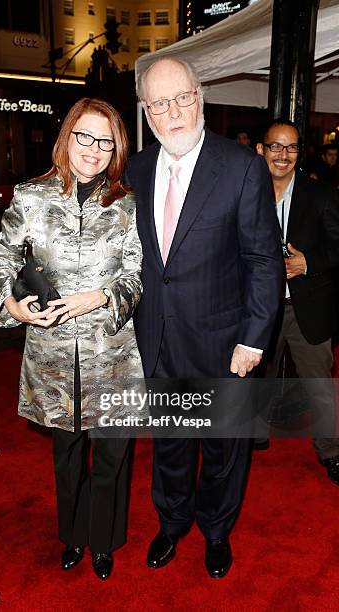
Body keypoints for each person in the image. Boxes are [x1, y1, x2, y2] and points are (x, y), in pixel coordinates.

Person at [126, 58, 282, 578]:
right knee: (169, 443)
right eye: (160, 102)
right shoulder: (138, 169)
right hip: (158, 340)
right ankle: (172, 524)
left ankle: (216, 529)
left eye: (182, 97)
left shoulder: (241, 166)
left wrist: (254, 339)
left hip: (223, 343)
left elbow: (263, 259)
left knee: (222, 448)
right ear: (146, 111)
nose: (173, 111)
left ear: (201, 96)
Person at [0, 98, 143, 580]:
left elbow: (138, 277)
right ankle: (73, 535)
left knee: (113, 455)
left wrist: (98, 297)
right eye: (84, 136)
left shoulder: (128, 203)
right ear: (67, 137)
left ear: (117, 146)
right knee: (67, 454)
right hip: (52, 355)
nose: (93, 149)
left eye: (105, 140)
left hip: (112, 350)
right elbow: (1, 263)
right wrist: (11, 306)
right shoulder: (30, 197)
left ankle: (103, 540)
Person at [256, 119, 339, 484]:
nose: (283, 155)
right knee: (256, 378)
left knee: (319, 387)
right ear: (261, 150)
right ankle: (253, 436)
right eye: (275, 146)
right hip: (260, 309)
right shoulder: (246, 193)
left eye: (290, 148)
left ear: (299, 153)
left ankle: (332, 452)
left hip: (308, 308)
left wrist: (310, 262)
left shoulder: (321, 196)